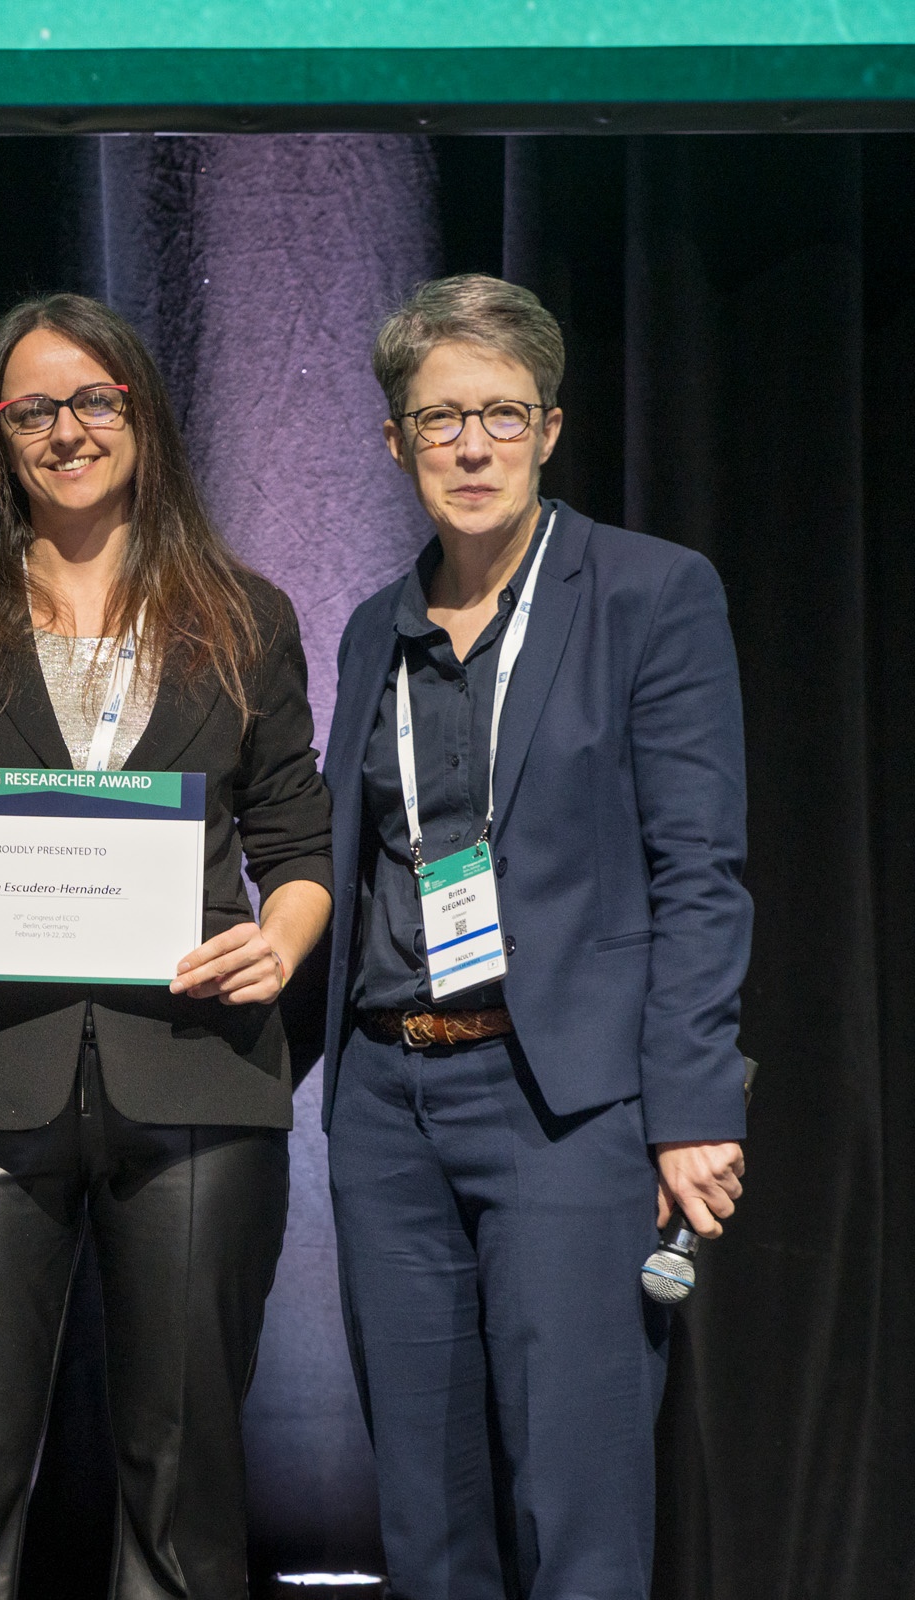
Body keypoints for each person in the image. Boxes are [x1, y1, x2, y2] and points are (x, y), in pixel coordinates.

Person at [0, 292, 333, 1598]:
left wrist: (279, 945)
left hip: (195, 1074)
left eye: (94, 399)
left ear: (143, 416)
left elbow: (297, 843)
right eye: (34, 408)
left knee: (186, 1484)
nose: (68, 429)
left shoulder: (247, 612)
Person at [321, 273, 751, 1599]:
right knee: (424, 1523)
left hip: (563, 1102)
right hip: (389, 1106)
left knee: (577, 1507)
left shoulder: (649, 594)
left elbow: (703, 872)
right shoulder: (368, 633)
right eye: (440, 418)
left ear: (551, 429)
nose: (471, 446)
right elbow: (350, 872)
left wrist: (689, 1105)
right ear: (396, 442)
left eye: (501, 414)